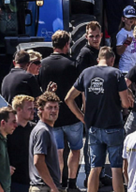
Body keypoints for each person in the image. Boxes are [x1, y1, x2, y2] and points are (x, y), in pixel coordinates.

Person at [66, 47, 133, 192]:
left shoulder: (86, 73)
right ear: (112, 60)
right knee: (116, 168)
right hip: (113, 126)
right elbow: (125, 103)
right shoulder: (116, 73)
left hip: (93, 127)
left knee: (95, 168)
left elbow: (68, 98)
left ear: (98, 59)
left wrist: (82, 117)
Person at [39, 31, 84, 192]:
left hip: (52, 118)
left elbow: (40, 90)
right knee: (75, 149)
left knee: (57, 153)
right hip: (73, 116)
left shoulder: (42, 64)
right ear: (67, 45)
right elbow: (81, 90)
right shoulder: (74, 64)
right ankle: (72, 182)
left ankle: (57, 184)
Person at [31, 92, 63, 192]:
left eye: (56, 107)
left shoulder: (47, 129)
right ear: (40, 109)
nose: (53, 111)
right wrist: (53, 187)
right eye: (49, 107)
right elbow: (38, 161)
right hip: (44, 187)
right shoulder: (43, 131)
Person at [9, 95, 37, 192]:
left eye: (33, 108)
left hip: (33, 181)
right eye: (30, 109)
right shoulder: (9, 131)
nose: (33, 111)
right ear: (19, 110)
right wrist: (4, 167)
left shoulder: (35, 129)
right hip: (15, 182)